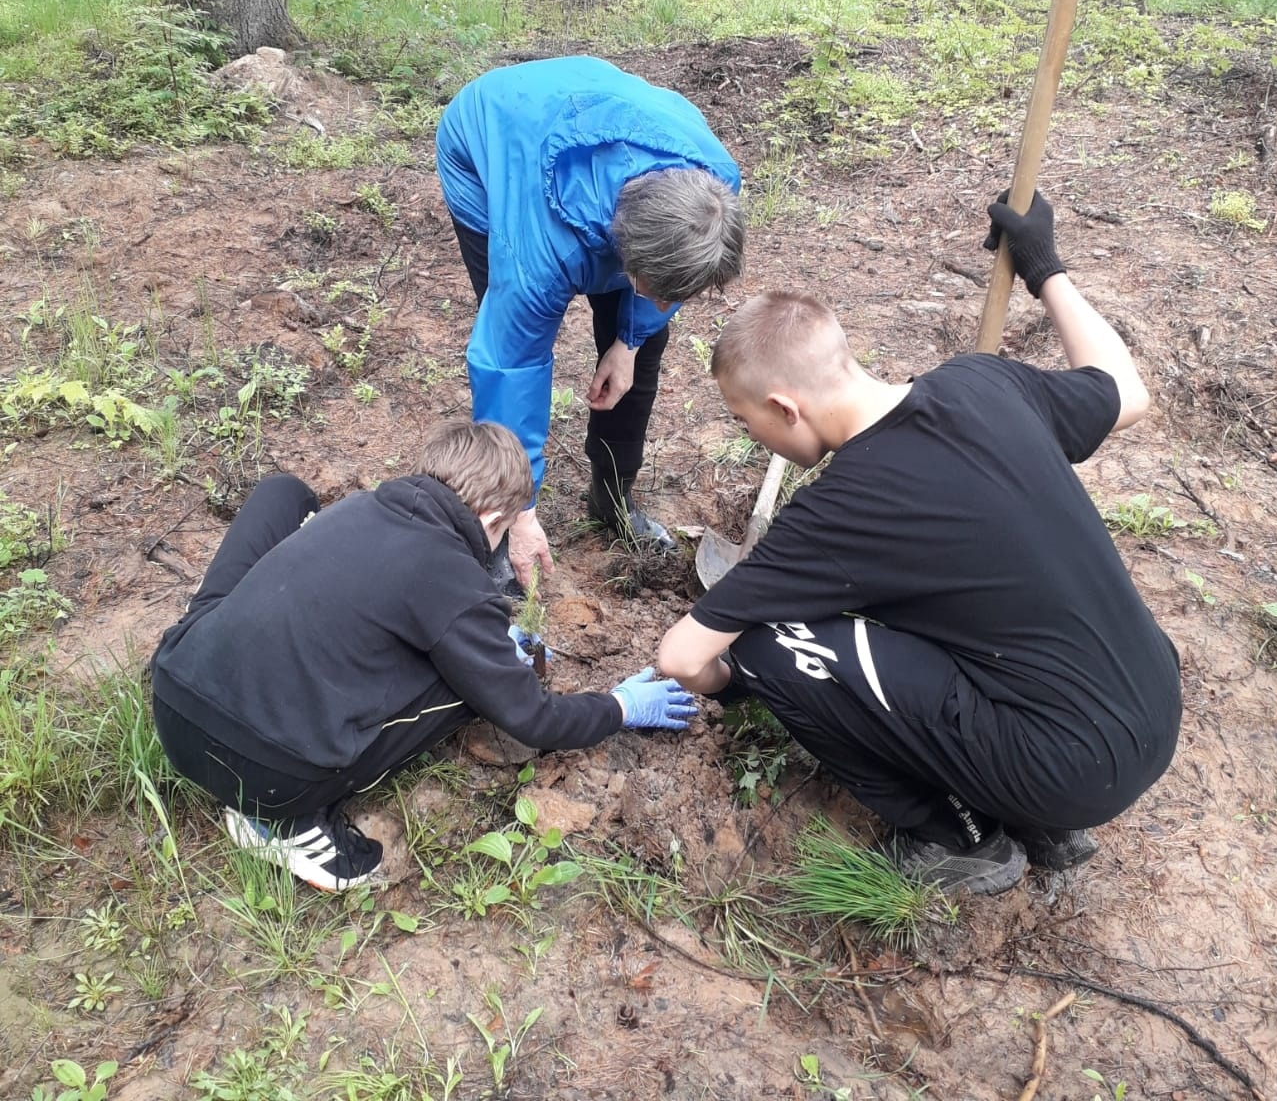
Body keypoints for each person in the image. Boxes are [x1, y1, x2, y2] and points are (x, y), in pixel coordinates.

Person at [656, 193, 1182, 895]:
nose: (753, 438)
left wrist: (738, 687)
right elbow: (1126, 390)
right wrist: (1043, 265)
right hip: (1152, 705)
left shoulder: (838, 511)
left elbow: (681, 655)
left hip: (1069, 768)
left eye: (748, 424)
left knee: (767, 645)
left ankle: (959, 839)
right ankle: (1042, 818)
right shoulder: (982, 382)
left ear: (786, 406)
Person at [150, 420, 696, 893]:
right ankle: (279, 826)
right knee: (467, 687)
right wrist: (622, 705)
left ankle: (199, 650)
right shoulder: (454, 579)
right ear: (490, 522)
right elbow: (531, 715)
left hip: (175, 699)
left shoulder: (362, 506)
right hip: (268, 774)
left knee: (283, 493)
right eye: (505, 531)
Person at [435, 56, 744, 589]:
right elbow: (513, 364)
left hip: (603, 128)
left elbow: (667, 288)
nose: (661, 297)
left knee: (644, 348)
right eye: (647, 285)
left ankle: (612, 497)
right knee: (513, 329)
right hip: (489, 138)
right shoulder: (539, 248)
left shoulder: (713, 195)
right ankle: (500, 526)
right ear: (626, 250)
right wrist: (523, 511)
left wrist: (628, 340)